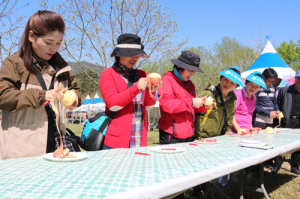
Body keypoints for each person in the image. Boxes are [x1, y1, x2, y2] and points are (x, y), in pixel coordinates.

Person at [0, 10, 81, 160]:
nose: (54, 48)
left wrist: (75, 99)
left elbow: (75, 90)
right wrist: (43, 95)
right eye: (49, 42)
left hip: (57, 148)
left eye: (59, 43)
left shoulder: (63, 68)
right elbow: (3, 97)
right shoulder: (14, 63)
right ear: (31, 36)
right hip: (21, 151)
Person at [99, 33, 158, 149]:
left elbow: (149, 106)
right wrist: (136, 88)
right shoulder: (108, 74)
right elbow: (112, 105)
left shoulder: (142, 74)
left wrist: (152, 90)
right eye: (131, 55)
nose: (135, 58)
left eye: (137, 55)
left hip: (140, 139)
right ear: (119, 54)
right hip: (116, 143)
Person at [158, 51, 208, 146]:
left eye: (194, 71)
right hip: (172, 135)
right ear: (179, 66)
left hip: (189, 134)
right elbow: (166, 105)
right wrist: (191, 102)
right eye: (190, 70)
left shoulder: (190, 84)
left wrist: (203, 105)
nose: (192, 74)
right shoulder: (166, 80)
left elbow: (192, 107)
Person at [195, 66, 244, 139]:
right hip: (203, 138)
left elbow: (230, 117)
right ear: (221, 79)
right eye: (226, 80)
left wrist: (227, 130)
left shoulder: (232, 99)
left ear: (236, 87)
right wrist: (198, 136)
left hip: (219, 138)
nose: (227, 84)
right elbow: (197, 116)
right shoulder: (209, 94)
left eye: (232, 83)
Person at [275, 70, 300, 174]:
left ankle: (294, 167)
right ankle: (276, 165)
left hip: (299, 121)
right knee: (281, 143)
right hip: (286, 121)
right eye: (298, 78)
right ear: (295, 78)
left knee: (298, 146)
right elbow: (277, 105)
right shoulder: (284, 90)